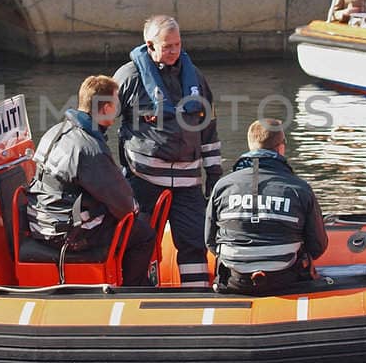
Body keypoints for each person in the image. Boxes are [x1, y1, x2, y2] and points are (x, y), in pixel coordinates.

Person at [113, 15, 222, 288]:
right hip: (144, 180)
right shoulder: (129, 77)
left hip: (187, 181)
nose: (174, 50)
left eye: (177, 44)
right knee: (139, 241)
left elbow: (208, 131)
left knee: (194, 241)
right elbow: (101, 119)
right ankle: (136, 292)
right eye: (167, 45)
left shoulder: (195, 78)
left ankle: (196, 296)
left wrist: (214, 175)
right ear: (149, 45)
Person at [26, 74, 155, 285]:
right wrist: (135, 207)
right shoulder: (89, 148)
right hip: (67, 233)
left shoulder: (55, 131)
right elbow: (124, 205)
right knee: (143, 232)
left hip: (42, 220)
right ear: (105, 109)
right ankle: (134, 290)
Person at [205, 119, 327, 295]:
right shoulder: (299, 188)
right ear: (281, 147)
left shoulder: (223, 186)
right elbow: (317, 245)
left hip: (235, 280)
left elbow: (210, 241)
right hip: (287, 280)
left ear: (250, 145)